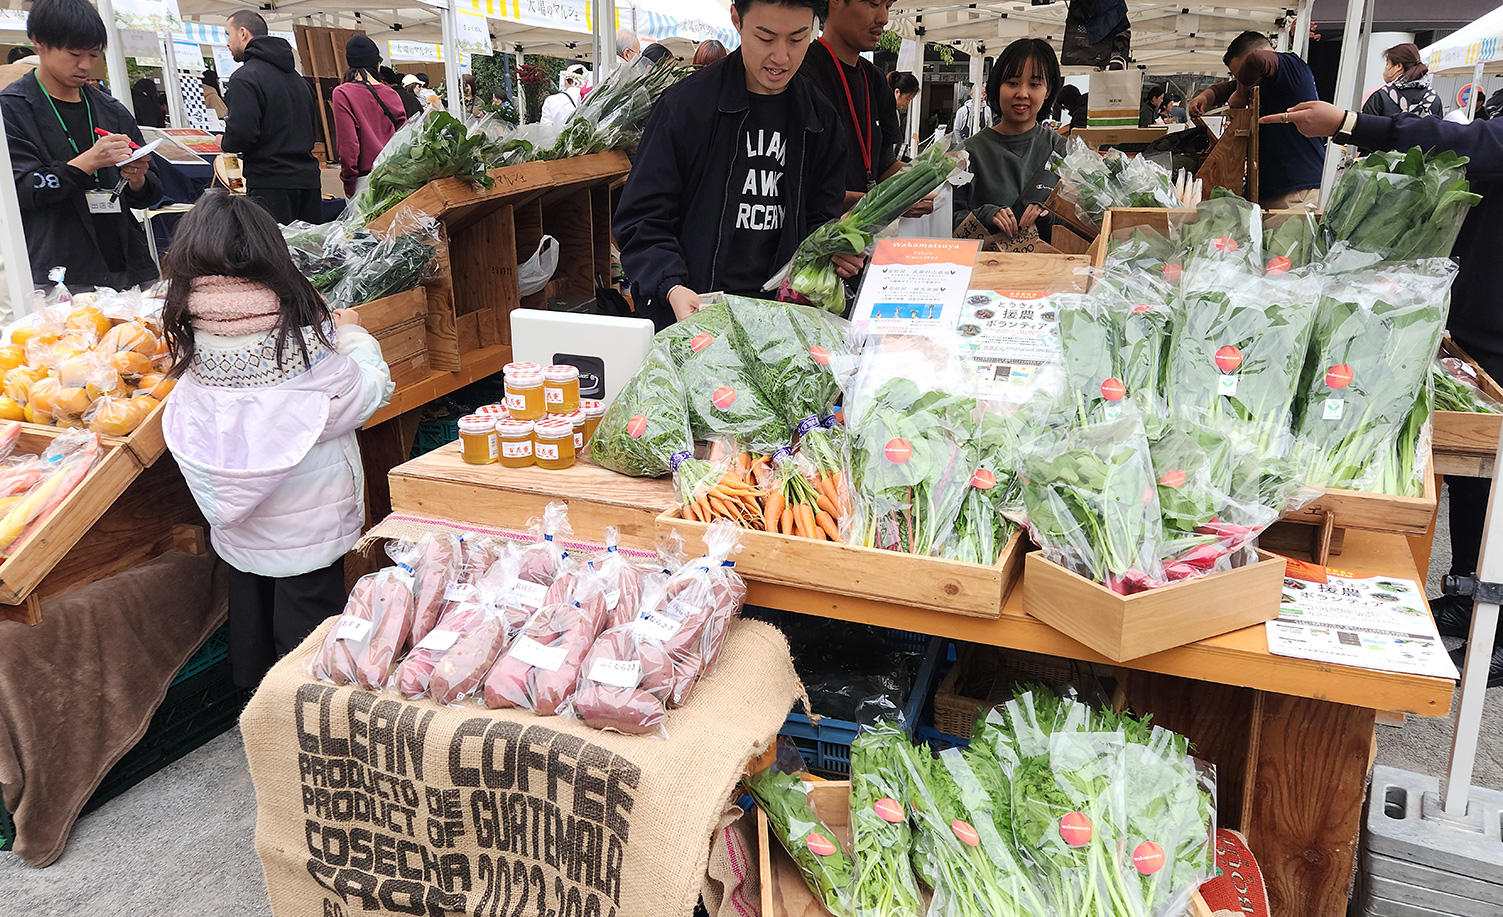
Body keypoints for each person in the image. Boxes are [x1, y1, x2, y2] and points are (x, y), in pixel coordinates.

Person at [1270, 98, 1503, 684]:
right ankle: (1473, 597)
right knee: (1476, 482)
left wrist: (1353, 125)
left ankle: (1502, 625)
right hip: (1478, 314)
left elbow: (1476, 143)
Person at [160, 190, 393, 688]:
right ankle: (301, 713)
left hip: (238, 528)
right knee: (306, 629)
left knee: (250, 608)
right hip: (307, 526)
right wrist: (352, 335)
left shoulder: (194, 342)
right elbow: (367, 393)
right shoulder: (303, 345)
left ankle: (251, 703)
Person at [612, 0, 853, 329]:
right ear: (737, 21)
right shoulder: (685, 108)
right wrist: (670, 285)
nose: (781, 57)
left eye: (798, 39)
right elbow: (642, 218)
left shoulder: (820, 119)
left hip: (780, 323)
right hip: (693, 318)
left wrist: (835, 249)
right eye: (766, 38)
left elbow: (820, 218)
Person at [2, 0, 162, 290]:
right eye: (74, 54)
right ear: (38, 42)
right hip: (59, 275)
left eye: (93, 54)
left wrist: (137, 178)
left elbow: (150, 193)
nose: (86, 65)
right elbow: (23, 190)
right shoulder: (13, 110)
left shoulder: (110, 109)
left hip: (129, 266)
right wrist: (89, 161)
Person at [1187, 30, 1325, 210]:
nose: (1243, 80)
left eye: (1243, 74)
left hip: (1297, 193)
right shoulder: (1263, 81)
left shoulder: (1290, 65)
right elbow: (1228, 88)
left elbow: (1256, 61)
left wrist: (1241, 93)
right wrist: (1206, 97)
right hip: (1274, 191)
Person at [952, 38, 1065, 242]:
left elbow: (1083, 225)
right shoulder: (967, 153)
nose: (1022, 93)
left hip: (1047, 270)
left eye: (1034, 84)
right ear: (997, 86)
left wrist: (1048, 217)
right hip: (985, 269)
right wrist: (985, 215)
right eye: (1012, 83)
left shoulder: (1062, 151)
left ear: (1048, 90)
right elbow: (946, 220)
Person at [222, 10, 322, 224]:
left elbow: (242, 134)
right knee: (309, 252)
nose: (227, 43)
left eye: (227, 34)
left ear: (242, 33)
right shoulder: (299, 81)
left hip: (270, 181)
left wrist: (223, 141)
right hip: (308, 180)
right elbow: (313, 130)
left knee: (271, 252)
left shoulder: (244, 78)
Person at [800, 0, 902, 208]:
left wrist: (931, 176)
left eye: (888, 6)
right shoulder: (800, 74)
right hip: (814, 234)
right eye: (874, 4)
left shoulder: (875, 79)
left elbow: (884, 166)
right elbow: (793, 181)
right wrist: (864, 202)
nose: (884, 18)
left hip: (865, 235)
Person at [331, 35, 407, 199]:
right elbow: (405, 139)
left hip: (365, 183)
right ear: (377, 64)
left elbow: (348, 144)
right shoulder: (391, 94)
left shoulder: (343, 93)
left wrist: (349, 184)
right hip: (395, 180)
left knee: (364, 226)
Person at [1362, 43, 1442, 120]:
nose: (1385, 69)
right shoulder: (1434, 99)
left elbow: (1366, 128)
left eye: (1387, 64)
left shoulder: (1381, 96)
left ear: (1398, 66)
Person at [540, 64, 586, 131]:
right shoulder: (590, 98)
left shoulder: (551, 101)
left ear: (565, 81)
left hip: (558, 140)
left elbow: (545, 130)